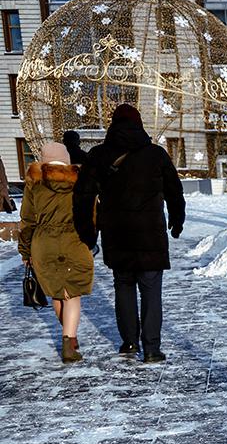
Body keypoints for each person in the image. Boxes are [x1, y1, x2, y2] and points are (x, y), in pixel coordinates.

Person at [73, 103, 185, 364]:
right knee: (150, 288)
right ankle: (152, 348)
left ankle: (129, 342)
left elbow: (83, 197)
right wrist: (177, 220)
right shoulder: (156, 154)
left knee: (123, 285)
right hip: (150, 233)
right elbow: (174, 190)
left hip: (116, 232)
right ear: (139, 124)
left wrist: (88, 233)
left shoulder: (98, 155)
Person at [18, 142, 93, 363]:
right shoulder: (80, 182)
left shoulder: (34, 184)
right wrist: (89, 240)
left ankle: (69, 338)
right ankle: (69, 341)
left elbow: (27, 221)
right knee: (73, 293)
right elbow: (91, 216)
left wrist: (25, 250)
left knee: (57, 293)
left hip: (44, 244)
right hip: (73, 241)